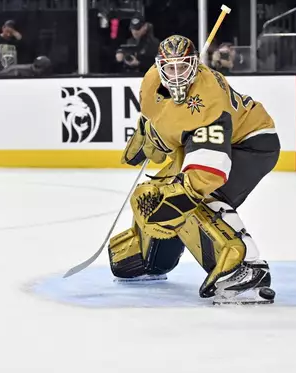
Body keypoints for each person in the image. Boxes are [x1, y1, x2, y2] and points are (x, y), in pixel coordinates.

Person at [109, 35, 280, 305]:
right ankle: (151, 257)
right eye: (170, 67)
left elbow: (207, 174)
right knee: (159, 190)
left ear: (195, 65)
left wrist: (173, 203)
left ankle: (245, 270)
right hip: (200, 141)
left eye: (183, 67)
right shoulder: (152, 80)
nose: (176, 75)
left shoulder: (209, 98)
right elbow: (165, 119)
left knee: (194, 198)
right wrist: (152, 134)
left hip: (249, 144)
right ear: (160, 66)